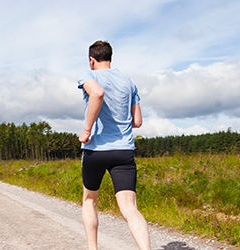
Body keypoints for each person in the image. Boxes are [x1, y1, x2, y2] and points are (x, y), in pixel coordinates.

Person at [77, 40, 149, 250]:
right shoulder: (128, 82)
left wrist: (87, 130)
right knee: (129, 208)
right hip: (124, 151)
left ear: (92, 60)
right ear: (110, 58)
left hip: (95, 150)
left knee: (89, 201)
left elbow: (97, 93)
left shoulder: (88, 75)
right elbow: (137, 121)